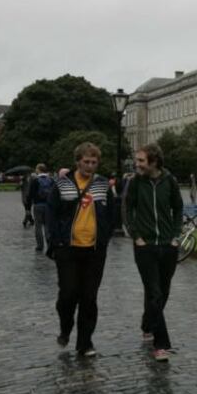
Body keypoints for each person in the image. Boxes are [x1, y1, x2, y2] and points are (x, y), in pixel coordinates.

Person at [46, 142, 114, 358]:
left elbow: (112, 213)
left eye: (94, 162)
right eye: (86, 161)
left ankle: (85, 342)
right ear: (77, 161)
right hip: (68, 249)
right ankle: (65, 328)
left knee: (89, 297)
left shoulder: (102, 185)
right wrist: (55, 241)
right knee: (67, 294)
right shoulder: (62, 184)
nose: (90, 166)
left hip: (94, 250)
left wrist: (105, 237)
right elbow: (51, 214)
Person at [125, 143, 184, 362]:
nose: (137, 164)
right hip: (145, 246)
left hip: (168, 245)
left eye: (141, 160)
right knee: (155, 292)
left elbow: (178, 208)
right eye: (137, 160)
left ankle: (147, 323)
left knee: (163, 292)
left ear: (154, 161)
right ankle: (161, 344)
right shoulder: (134, 183)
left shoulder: (170, 182)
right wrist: (136, 236)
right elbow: (127, 209)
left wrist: (176, 235)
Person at [26, 164, 54, 252]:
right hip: (49, 206)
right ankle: (49, 244)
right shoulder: (51, 180)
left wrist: (28, 208)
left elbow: (30, 195)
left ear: (39, 170)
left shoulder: (35, 180)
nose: (36, 171)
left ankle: (40, 245)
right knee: (47, 226)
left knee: (38, 226)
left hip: (38, 205)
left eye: (36, 169)